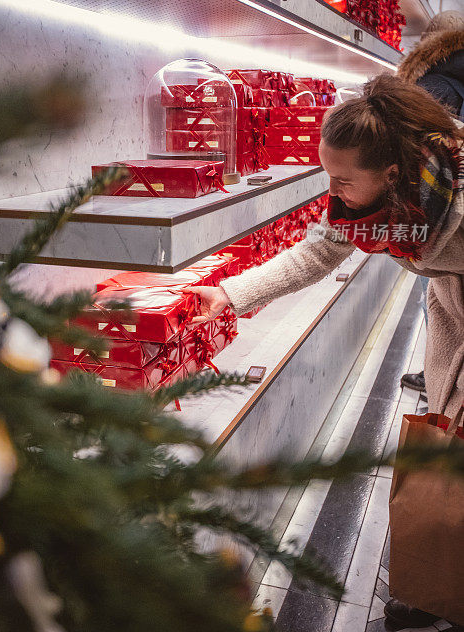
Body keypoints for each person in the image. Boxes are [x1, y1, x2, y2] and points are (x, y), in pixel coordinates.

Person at [185, 74, 464, 629]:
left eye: (341, 180)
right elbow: (316, 254)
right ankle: (442, 582)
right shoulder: (364, 203)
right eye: (325, 175)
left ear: (391, 175)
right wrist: (231, 293)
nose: (330, 191)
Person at [397, 10, 464, 394]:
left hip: (444, 223)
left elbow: (426, 165)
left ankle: (438, 378)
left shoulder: (433, 87)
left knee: (438, 293)